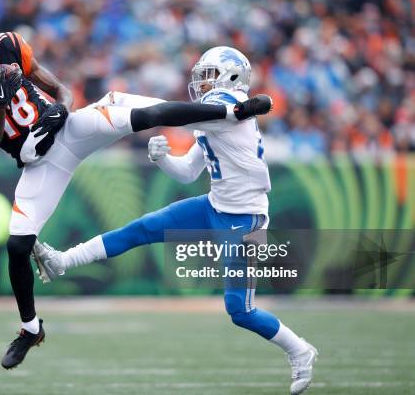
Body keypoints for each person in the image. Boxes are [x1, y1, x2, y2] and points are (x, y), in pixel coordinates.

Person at [0, 5, 272, 370]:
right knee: (18, 244)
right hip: (39, 163)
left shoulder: (11, 45)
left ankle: (233, 113)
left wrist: (58, 112)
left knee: (150, 116)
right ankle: (30, 329)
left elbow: (62, 92)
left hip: (69, 130)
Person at [34, 47, 317, 395]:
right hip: (215, 205)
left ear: (230, 77)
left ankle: (300, 350)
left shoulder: (225, 109)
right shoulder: (218, 114)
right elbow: (186, 173)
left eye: (210, 74)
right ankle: (63, 260)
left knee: (240, 311)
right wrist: (164, 159)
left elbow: (162, 111)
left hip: (245, 220)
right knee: (142, 229)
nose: (202, 82)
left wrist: (119, 99)